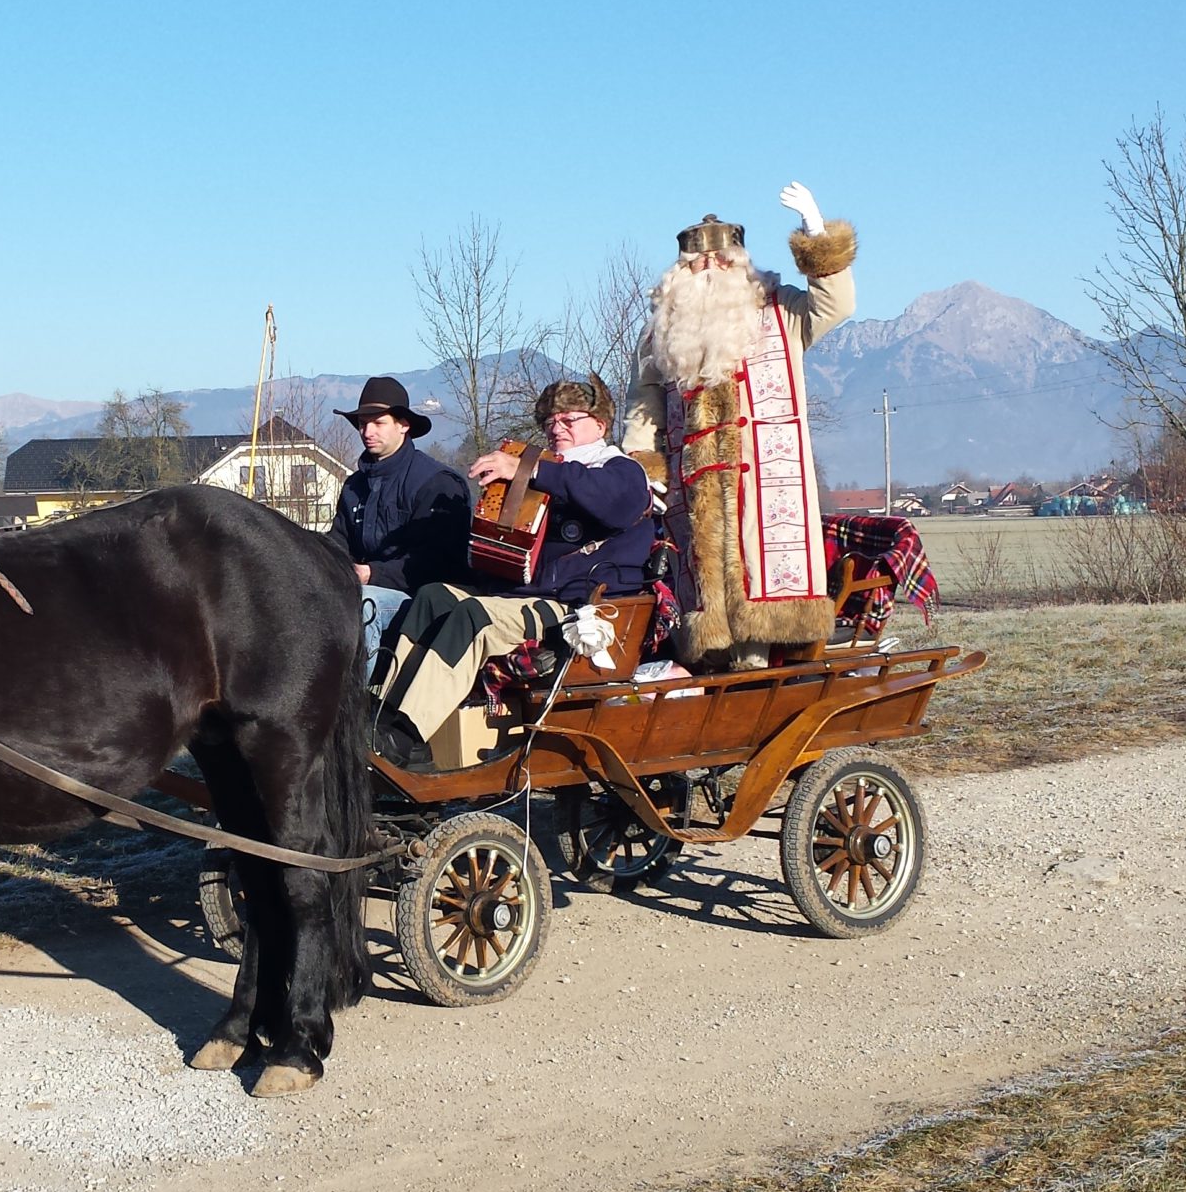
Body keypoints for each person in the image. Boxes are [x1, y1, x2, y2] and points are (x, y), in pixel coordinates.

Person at [622, 182, 856, 669]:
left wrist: (815, 230)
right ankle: (713, 680)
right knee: (704, 595)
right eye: (697, 262)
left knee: (760, 575)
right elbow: (643, 399)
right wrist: (644, 464)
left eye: (722, 258)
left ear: (740, 260)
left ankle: (755, 670)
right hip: (694, 484)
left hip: (766, 480)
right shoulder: (663, 330)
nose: (710, 268)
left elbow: (835, 305)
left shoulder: (780, 309)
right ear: (680, 270)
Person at [373, 377, 654, 767]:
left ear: (600, 425)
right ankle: (383, 716)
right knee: (433, 597)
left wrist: (527, 468)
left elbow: (614, 504)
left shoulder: (621, 471)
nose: (557, 429)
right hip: (525, 596)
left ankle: (406, 736)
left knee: (474, 617)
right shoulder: (551, 473)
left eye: (569, 420)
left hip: (577, 608)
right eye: (550, 422)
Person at [330, 375, 470, 676]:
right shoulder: (354, 487)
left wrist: (372, 574)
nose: (367, 431)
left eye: (378, 423)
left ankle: (360, 710)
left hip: (427, 602)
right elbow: (337, 542)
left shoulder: (437, 483)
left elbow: (439, 561)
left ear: (403, 425)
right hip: (362, 588)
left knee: (363, 604)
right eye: (362, 423)